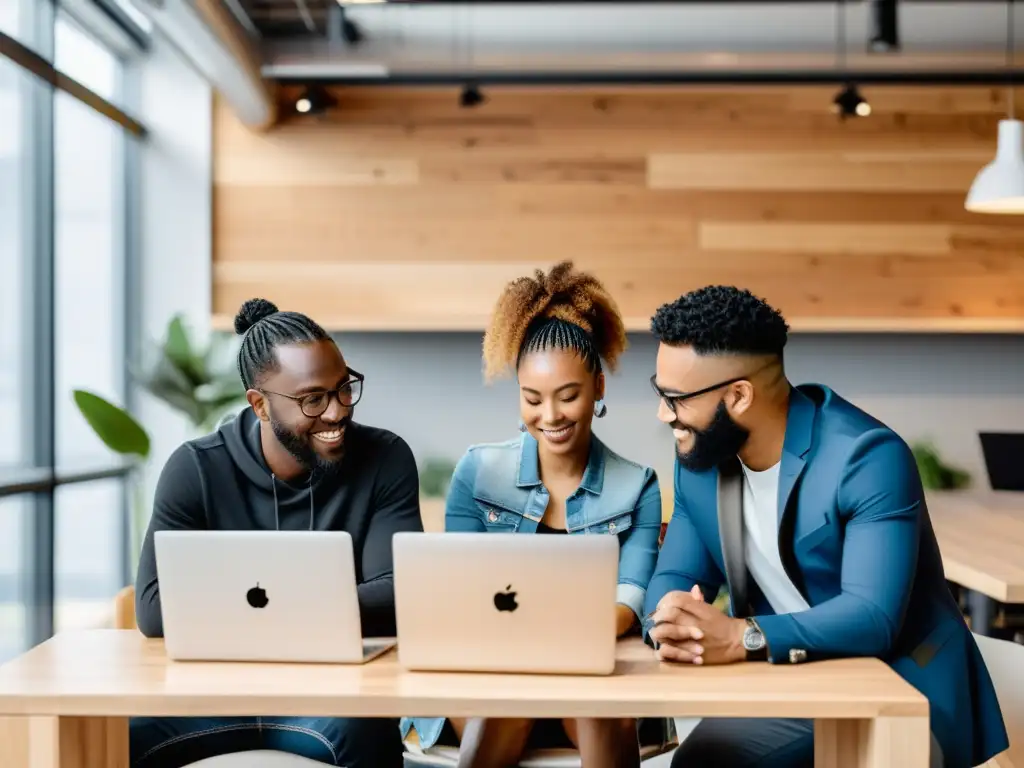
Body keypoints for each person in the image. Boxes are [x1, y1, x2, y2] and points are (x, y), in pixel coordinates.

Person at [642, 285, 1009, 768]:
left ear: (738, 395)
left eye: (675, 398)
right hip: (795, 680)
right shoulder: (702, 457)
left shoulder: (867, 456)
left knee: (709, 763)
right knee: (701, 759)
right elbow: (674, 575)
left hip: (901, 687)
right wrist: (669, 619)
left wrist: (739, 636)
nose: (662, 413)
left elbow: (872, 618)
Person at [130, 298, 421, 768]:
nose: (336, 412)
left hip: (331, 703)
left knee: (369, 739)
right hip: (210, 700)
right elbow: (153, 610)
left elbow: (397, 593)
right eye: (312, 399)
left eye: (344, 388)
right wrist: (324, 606)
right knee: (114, 740)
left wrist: (253, 606)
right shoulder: (196, 468)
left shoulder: (384, 459)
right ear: (260, 405)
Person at [401, 262, 663, 768]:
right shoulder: (477, 473)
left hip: (591, 670)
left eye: (568, 396)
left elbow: (630, 599)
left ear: (598, 388)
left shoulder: (638, 486)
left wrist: (561, 649)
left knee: (599, 710)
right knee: (506, 704)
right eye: (532, 398)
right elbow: (462, 591)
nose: (550, 416)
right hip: (489, 670)